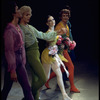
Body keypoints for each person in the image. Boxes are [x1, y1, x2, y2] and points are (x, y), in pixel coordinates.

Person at [19, 6, 66, 100]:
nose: (29, 16)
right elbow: (21, 45)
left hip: (36, 53)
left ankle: (33, 98)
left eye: (30, 14)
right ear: (21, 16)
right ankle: (28, 96)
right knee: (43, 78)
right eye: (26, 15)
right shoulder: (20, 28)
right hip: (31, 53)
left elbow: (42, 35)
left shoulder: (29, 27)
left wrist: (57, 32)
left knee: (36, 78)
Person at [1, 2, 34, 100]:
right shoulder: (9, 30)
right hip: (12, 62)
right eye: (17, 9)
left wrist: (22, 62)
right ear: (13, 13)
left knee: (26, 88)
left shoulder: (17, 27)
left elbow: (22, 47)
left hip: (19, 61)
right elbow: (9, 51)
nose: (19, 10)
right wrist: (12, 70)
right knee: (7, 88)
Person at [45, 7, 80, 93]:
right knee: (71, 66)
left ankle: (46, 80)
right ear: (60, 17)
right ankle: (72, 87)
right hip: (61, 50)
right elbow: (55, 40)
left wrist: (70, 43)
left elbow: (67, 37)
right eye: (63, 16)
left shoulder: (66, 24)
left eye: (67, 16)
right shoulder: (59, 26)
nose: (65, 17)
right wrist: (66, 44)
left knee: (62, 69)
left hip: (65, 49)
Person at [41, 15, 72, 100]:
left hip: (54, 54)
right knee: (46, 77)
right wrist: (57, 40)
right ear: (47, 23)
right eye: (50, 20)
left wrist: (62, 43)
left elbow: (55, 42)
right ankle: (36, 92)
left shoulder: (54, 31)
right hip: (48, 54)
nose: (52, 21)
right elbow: (49, 40)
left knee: (59, 74)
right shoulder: (48, 32)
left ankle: (64, 95)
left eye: (53, 19)